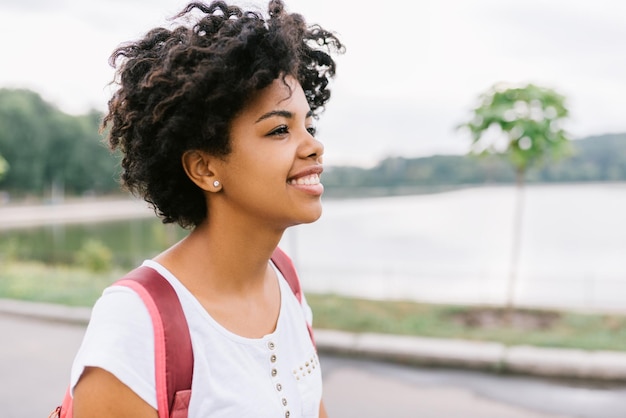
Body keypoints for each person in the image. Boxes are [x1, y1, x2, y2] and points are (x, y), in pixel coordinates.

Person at [68, 1, 344, 417]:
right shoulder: (135, 324)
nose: (313, 145)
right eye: (280, 129)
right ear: (204, 167)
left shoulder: (284, 277)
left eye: (309, 125)